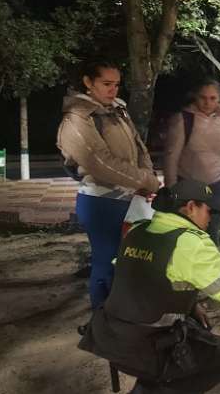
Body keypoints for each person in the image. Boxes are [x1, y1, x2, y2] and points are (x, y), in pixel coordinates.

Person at [77, 179, 220, 394]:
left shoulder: (138, 229)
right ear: (190, 207)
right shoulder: (191, 243)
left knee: (194, 331)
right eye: (210, 211)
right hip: (144, 346)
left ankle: (149, 384)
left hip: (108, 334)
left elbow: (144, 277)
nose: (212, 218)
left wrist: (190, 305)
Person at [57, 59, 160, 309]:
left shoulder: (117, 110)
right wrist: (145, 179)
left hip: (131, 197)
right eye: (106, 83)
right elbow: (99, 163)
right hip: (100, 202)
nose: (113, 89)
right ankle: (102, 322)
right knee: (107, 261)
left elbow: (139, 147)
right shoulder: (77, 118)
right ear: (88, 82)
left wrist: (146, 177)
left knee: (129, 261)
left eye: (116, 84)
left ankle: (122, 317)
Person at [163, 78, 220, 244]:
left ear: (219, 99)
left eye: (212, 98)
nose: (207, 102)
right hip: (189, 184)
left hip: (218, 184)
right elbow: (171, 156)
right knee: (186, 228)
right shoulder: (183, 119)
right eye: (203, 98)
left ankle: (211, 264)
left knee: (213, 229)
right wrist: (171, 187)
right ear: (195, 97)